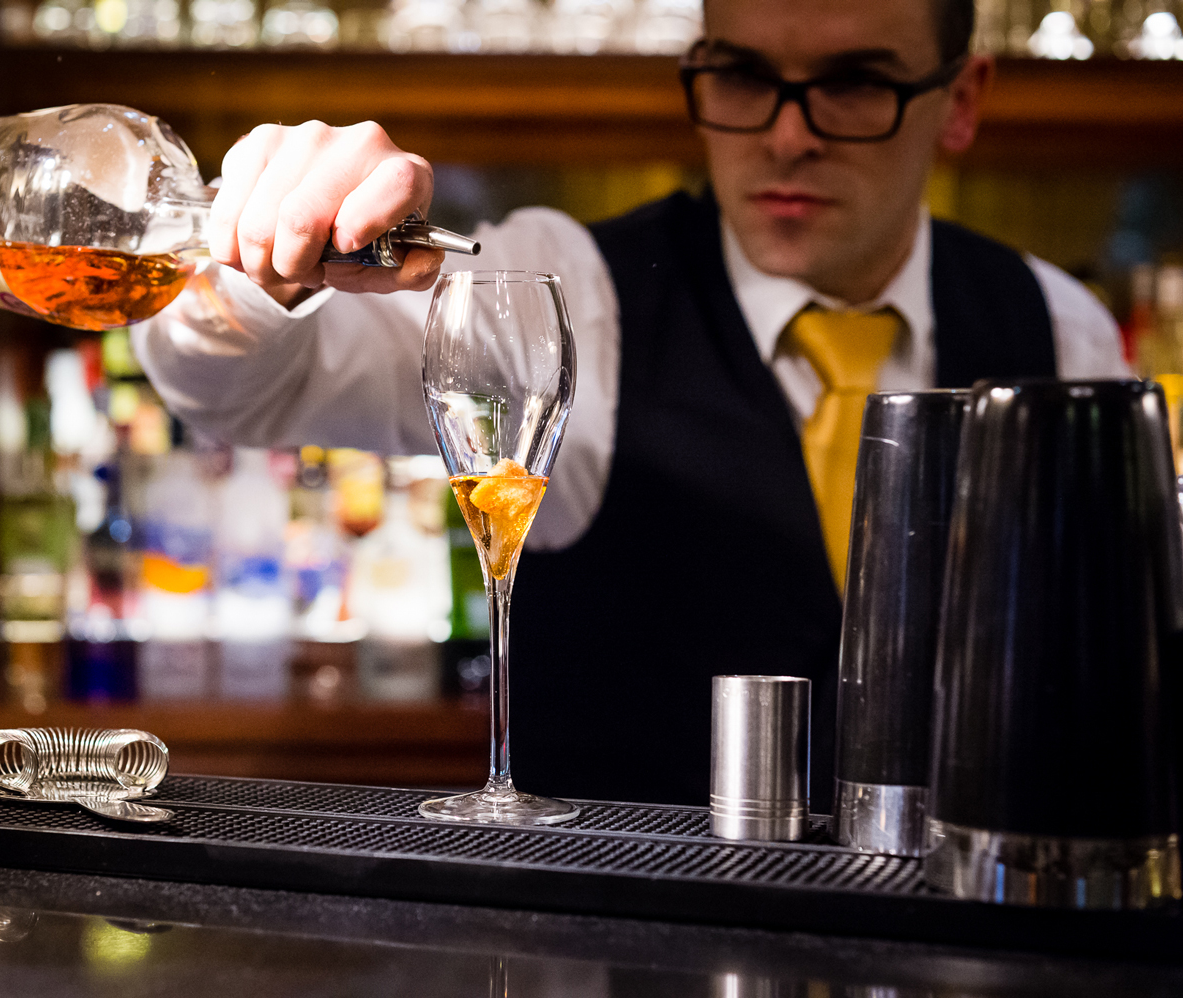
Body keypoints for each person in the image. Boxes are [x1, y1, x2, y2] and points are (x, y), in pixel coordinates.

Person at [133, 0, 1129, 808]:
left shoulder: (1059, 324)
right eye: (742, 76)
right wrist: (265, 263)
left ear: (961, 98)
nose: (788, 136)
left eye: (855, 82)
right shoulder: (564, 287)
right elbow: (239, 387)